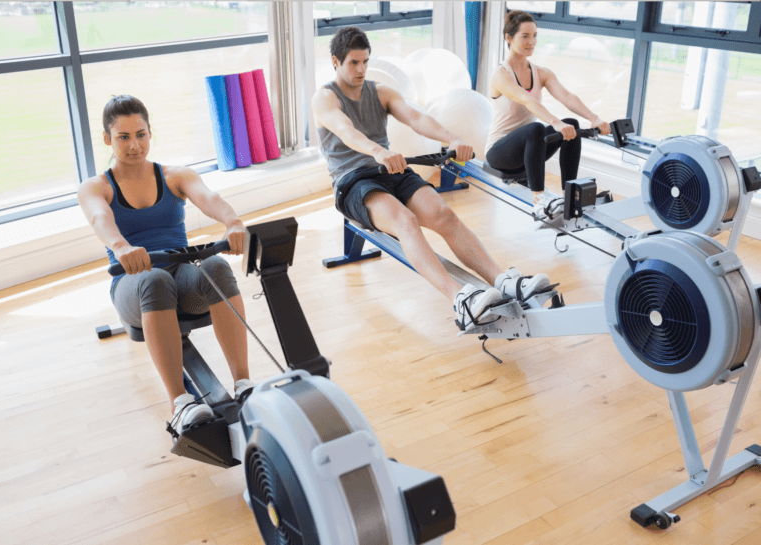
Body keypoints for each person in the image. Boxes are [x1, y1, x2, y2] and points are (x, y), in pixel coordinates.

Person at [312, 27, 551, 330]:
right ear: (336, 61)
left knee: (444, 214)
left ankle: (503, 281)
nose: (361, 70)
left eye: (365, 62)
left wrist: (451, 139)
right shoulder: (324, 99)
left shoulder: (380, 91)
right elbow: (346, 130)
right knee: (404, 221)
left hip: (391, 171)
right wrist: (378, 152)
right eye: (353, 63)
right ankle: (461, 300)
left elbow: (416, 117)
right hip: (353, 182)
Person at [78, 95, 254, 433]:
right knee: (155, 281)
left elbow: (208, 198)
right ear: (107, 139)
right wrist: (121, 247)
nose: (134, 145)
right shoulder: (96, 187)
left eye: (141, 134)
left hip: (181, 274)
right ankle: (181, 404)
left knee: (216, 267)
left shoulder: (175, 175)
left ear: (149, 133)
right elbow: (100, 219)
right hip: (132, 282)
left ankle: (244, 384)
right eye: (123, 137)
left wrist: (233, 223)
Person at [484, 10, 612, 218]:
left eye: (534, 36)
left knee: (572, 123)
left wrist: (593, 118)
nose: (531, 42)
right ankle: (538, 200)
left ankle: (569, 193)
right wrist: (555, 122)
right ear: (508, 38)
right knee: (536, 128)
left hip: (530, 150)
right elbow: (527, 99)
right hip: (500, 153)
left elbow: (567, 96)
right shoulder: (501, 75)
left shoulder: (541, 72)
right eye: (524, 36)